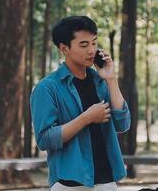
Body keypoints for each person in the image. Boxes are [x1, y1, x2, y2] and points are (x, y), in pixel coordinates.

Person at [30, 16, 131, 191]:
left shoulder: (100, 82)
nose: (91, 50)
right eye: (84, 45)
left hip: (106, 181)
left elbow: (123, 123)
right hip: (69, 185)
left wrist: (111, 80)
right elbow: (44, 139)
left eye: (94, 43)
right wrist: (86, 118)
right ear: (64, 48)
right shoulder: (47, 88)